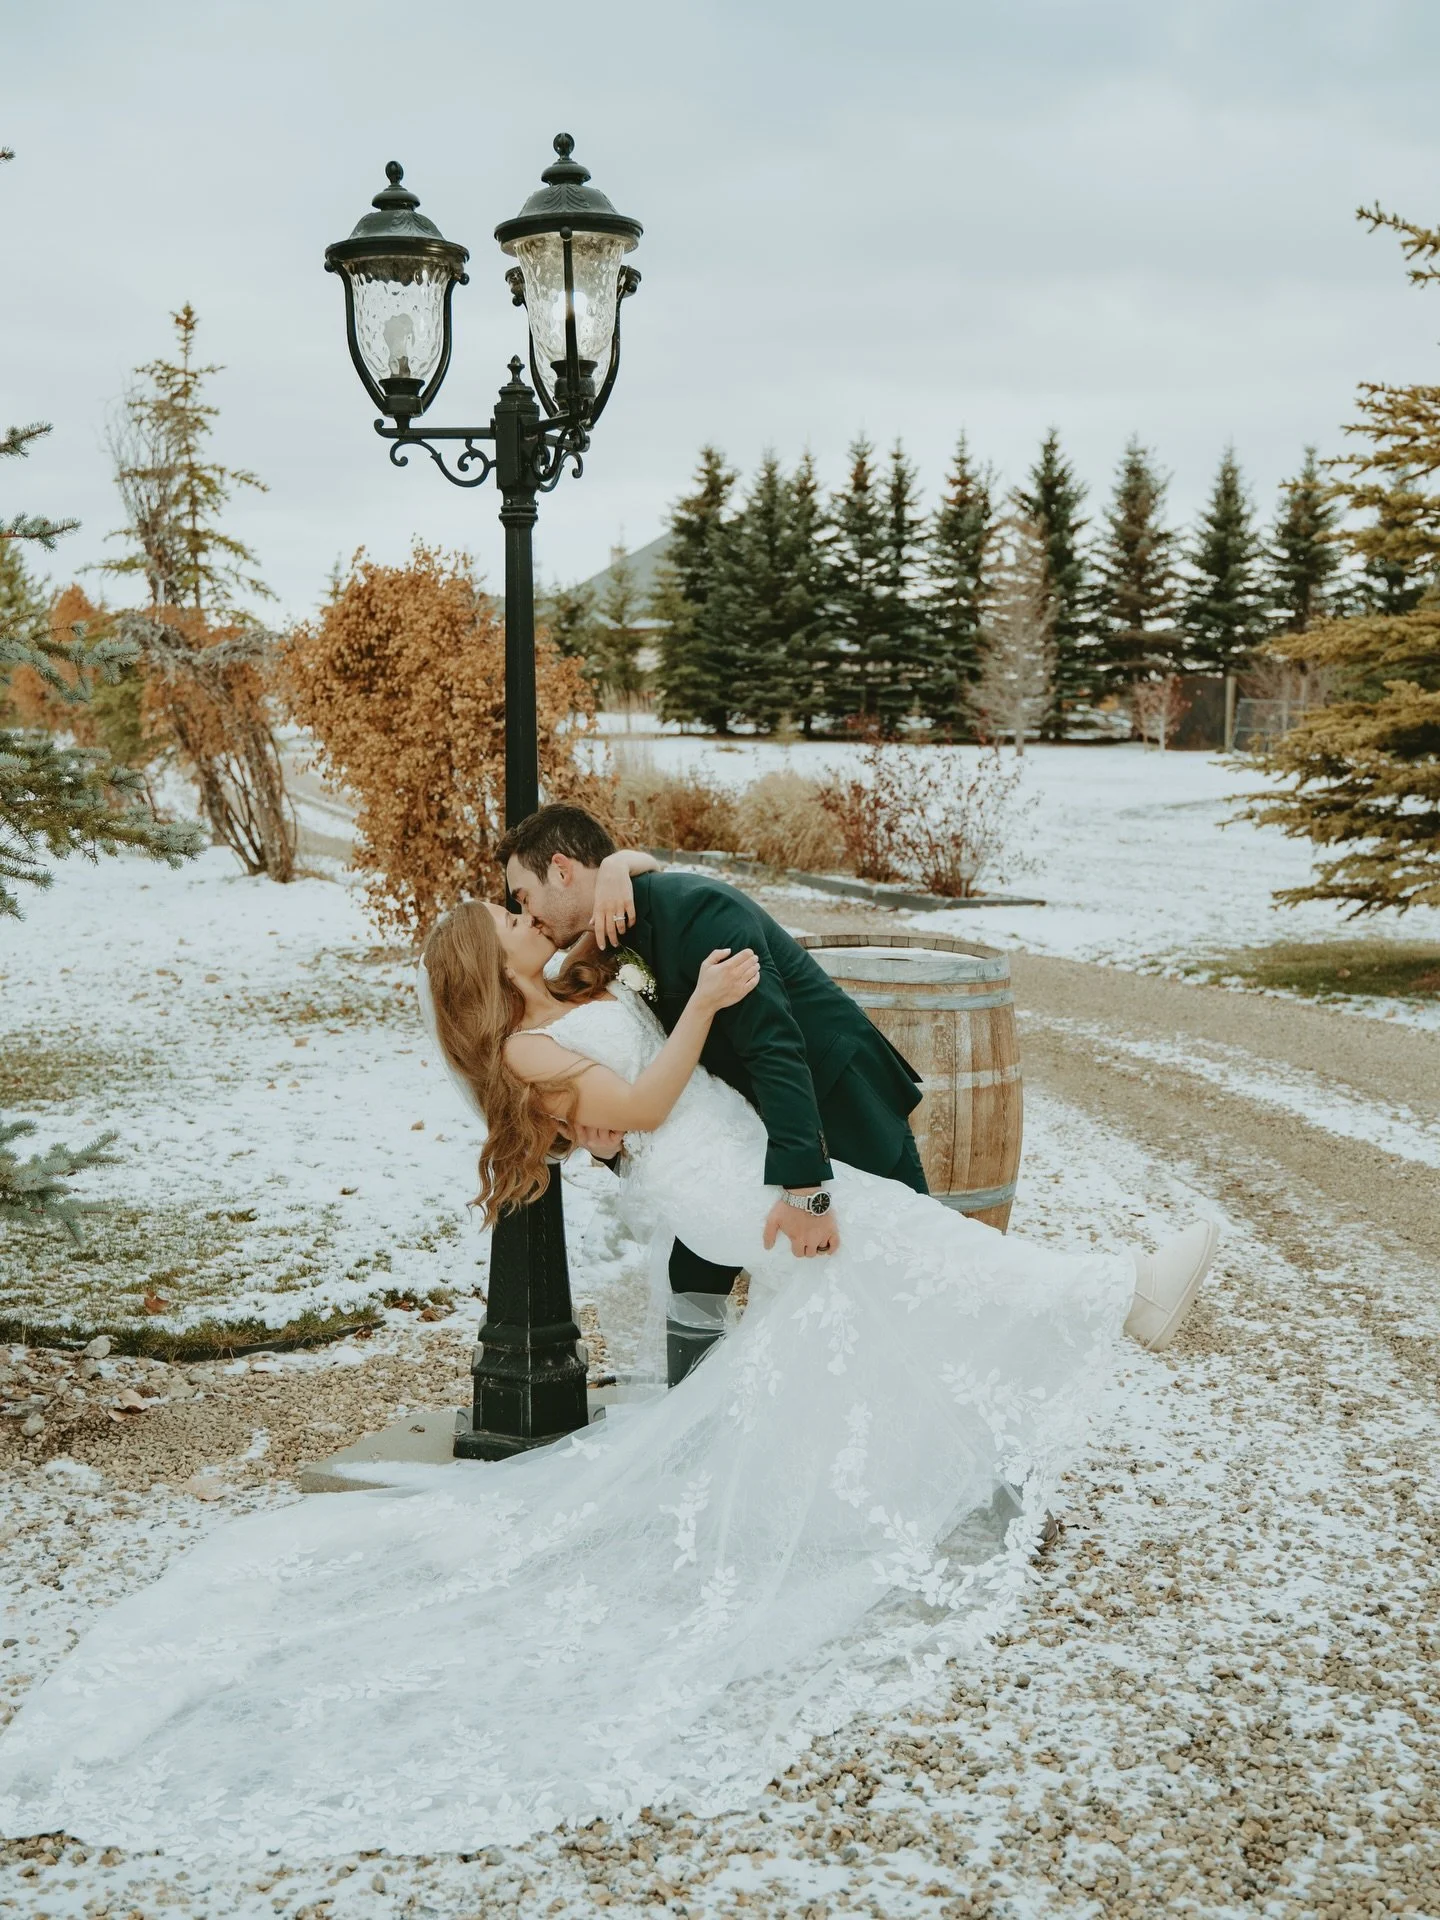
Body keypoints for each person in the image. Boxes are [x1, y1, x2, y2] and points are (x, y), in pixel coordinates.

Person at [0, 885, 1216, 1857]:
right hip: (716, 1180)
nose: (528, 922)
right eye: (509, 925)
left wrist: (634, 897)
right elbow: (635, 1096)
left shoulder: (565, 1001)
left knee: (870, 1269)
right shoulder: (527, 1050)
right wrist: (708, 1005)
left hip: (726, 1153)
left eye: (521, 908)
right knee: (898, 1233)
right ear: (495, 971)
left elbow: (614, 974)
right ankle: (1124, 1297)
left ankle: (879, 1468)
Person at [497, 804, 930, 1305]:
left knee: (907, 1272)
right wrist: (610, 1148)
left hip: (836, 1100)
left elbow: (774, 1046)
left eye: (525, 897)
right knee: (692, 1285)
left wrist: (805, 1193)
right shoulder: (600, 941)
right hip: (732, 1134)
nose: (530, 916)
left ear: (561, 869)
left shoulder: (699, 910)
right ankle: (703, 1382)